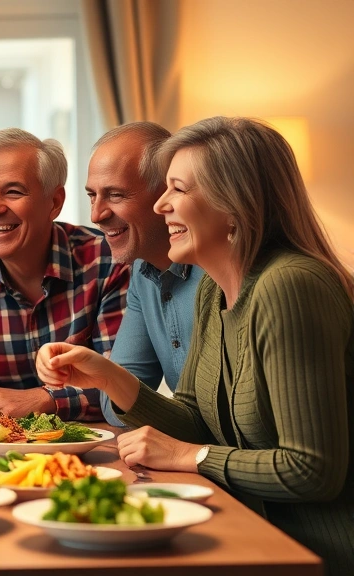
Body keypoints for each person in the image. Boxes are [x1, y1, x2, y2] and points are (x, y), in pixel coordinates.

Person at [37, 116, 354, 574]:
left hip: (313, 553)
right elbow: (194, 417)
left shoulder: (291, 285)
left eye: (178, 190)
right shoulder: (215, 289)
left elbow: (312, 471)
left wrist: (190, 456)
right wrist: (106, 376)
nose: (162, 205)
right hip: (246, 532)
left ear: (234, 204)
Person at [0, 128, 130, 420]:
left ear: (54, 202)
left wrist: (44, 400)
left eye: (13, 192)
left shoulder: (107, 263)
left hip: (96, 449)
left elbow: (124, 385)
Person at [86, 122, 205, 426]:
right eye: (92, 195)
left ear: (164, 193)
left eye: (115, 195)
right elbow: (116, 410)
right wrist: (101, 372)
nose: (96, 215)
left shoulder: (218, 271)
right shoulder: (142, 272)